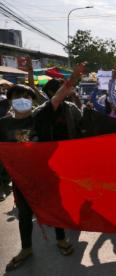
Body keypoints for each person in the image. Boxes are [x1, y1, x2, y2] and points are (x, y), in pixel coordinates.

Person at [1, 64, 85, 271]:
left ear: (32, 101)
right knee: (24, 214)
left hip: (47, 175)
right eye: (17, 97)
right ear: (10, 102)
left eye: (26, 97)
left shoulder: (40, 117)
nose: (22, 101)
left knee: (53, 208)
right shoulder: (2, 125)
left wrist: (72, 80)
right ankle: (26, 248)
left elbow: (57, 97)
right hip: (21, 179)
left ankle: (61, 239)